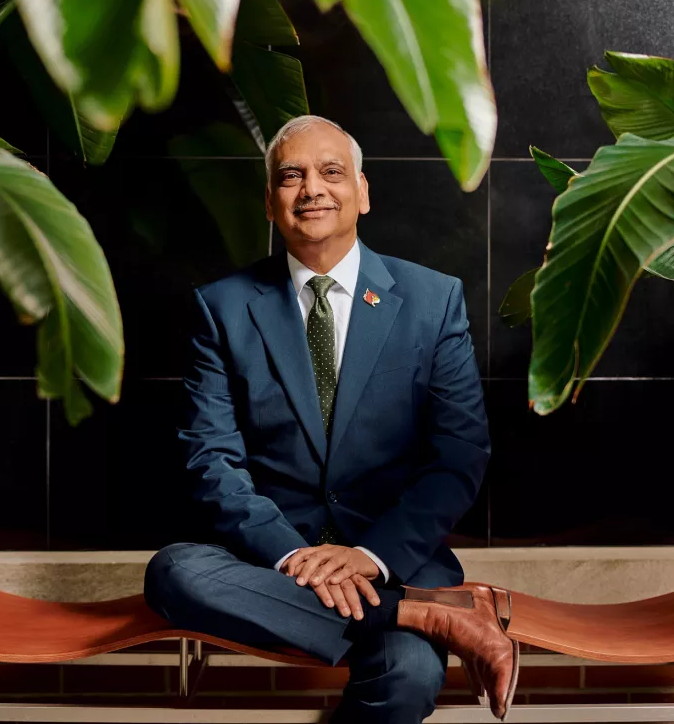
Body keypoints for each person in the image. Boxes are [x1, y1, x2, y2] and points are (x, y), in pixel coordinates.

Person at [144, 115, 517, 723]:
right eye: (291, 176)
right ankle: (423, 612)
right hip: (274, 559)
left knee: (409, 677)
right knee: (174, 573)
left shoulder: (432, 300)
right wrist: (298, 560)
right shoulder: (222, 309)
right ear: (270, 202)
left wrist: (370, 556)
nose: (312, 188)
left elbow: (459, 456)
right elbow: (212, 461)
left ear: (362, 193)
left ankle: (400, 607)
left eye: (331, 172)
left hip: (391, 558)